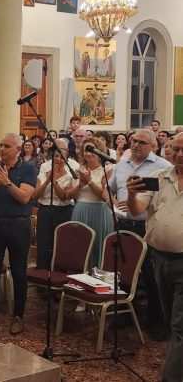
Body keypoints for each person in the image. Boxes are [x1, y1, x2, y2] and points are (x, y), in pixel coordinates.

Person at [126, 132, 183, 382]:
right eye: (175, 149)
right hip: (159, 258)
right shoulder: (159, 177)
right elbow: (137, 209)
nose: (179, 154)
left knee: (179, 325)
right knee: (171, 320)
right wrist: (131, 194)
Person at [107, 128, 171, 340]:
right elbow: (109, 189)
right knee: (124, 271)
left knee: (151, 275)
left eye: (141, 142)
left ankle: (156, 320)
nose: (135, 145)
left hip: (146, 226)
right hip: (123, 224)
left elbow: (165, 199)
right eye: (133, 141)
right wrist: (112, 201)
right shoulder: (122, 164)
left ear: (153, 146)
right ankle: (125, 312)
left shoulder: (163, 167)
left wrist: (141, 205)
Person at [0, 133, 36, 335]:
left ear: (18, 150)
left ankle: (18, 316)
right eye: (1, 145)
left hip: (18, 226)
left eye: (7, 146)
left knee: (19, 272)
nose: (2, 149)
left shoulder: (28, 168)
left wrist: (7, 182)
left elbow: (25, 198)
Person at [66, 138, 114, 271]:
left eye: (91, 150)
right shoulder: (78, 169)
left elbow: (104, 196)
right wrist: (79, 186)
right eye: (85, 150)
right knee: (80, 245)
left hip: (99, 211)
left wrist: (90, 181)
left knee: (98, 246)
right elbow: (68, 195)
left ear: (99, 151)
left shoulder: (107, 169)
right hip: (80, 210)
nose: (87, 153)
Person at [32, 142, 74, 270]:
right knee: (43, 243)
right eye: (56, 156)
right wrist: (47, 181)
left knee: (60, 243)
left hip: (63, 211)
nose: (58, 159)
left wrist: (54, 181)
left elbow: (63, 196)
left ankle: (58, 273)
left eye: (62, 157)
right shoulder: (43, 172)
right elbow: (35, 195)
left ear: (66, 160)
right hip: (45, 209)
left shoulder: (69, 176)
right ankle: (42, 271)